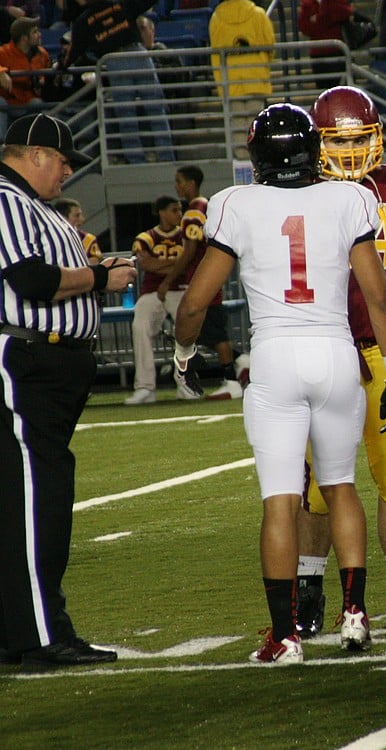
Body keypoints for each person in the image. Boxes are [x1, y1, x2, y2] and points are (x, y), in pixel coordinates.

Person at [173, 103, 386, 663]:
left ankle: (286, 637)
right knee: (340, 485)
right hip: (334, 352)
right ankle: (354, 615)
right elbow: (378, 298)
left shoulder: (235, 203)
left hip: (276, 355)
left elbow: (195, 302)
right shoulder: (349, 198)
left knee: (281, 500)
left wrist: (184, 353)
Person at [292, 86, 386, 636]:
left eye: (361, 139)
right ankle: (308, 596)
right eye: (340, 140)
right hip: (327, 347)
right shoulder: (298, 189)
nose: (353, 151)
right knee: (316, 483)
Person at [0, 113, 135, 667]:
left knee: (36, 499)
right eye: (61, 160)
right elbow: (29, 280)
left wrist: (96, 272)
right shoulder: (8, 200)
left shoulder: (32, 206)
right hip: (28, 359)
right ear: (33, 154)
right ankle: (39, 636)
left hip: (51, 362)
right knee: (35, 503)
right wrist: (101, 278)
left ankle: (22, 632)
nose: (67, 171)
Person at [162, 164, 250, 401]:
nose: (176, 186)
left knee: (212, 332)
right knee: (205, 333)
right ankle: (241, 360)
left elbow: (190, 251)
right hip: (210, 275)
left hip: (203, 278)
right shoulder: (206, 206)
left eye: (179, 181)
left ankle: (231, 379)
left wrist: (168, 279)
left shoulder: (193, 211)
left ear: (190, 184)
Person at [64, 0, 174, 165]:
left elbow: (73, 51)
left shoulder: (84, 20)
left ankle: (136, 162)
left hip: (115, 60)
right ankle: (167, 158)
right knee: (156, 110)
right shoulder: (119, 3)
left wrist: (62, 66)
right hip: (138, 54)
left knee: (126, 117)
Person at [123, 195, 186, 405]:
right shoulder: (146, 237)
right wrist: (177, 263)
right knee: (140, 327)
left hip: (181, 289)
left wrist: (165, 266)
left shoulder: (186, 234)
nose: (179, 214)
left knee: (185, 333)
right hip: (152, 291)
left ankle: (185, 382)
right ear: (161, 212)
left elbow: (187, 262)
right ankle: (145, 387)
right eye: (174, 210)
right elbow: (147, 264)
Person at [209, 0, 274, 158]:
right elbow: (270, 45)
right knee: (256, 122)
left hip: (230, 80)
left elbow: (216, 55)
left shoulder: (216, 18)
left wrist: (221, 84)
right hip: (256, 78)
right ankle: (258, 159)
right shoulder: (259, 14)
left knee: (237, 124)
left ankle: (242, 162)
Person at [0, 16, 52, 130]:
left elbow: (49, 69)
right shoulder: (4, 52)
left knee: (37, 103)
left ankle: (32, 142)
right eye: (35, 32)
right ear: (24, 38)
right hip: (7, 101)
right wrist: (1, 72)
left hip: (28, 101)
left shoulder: (42, 54)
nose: (39, 35)